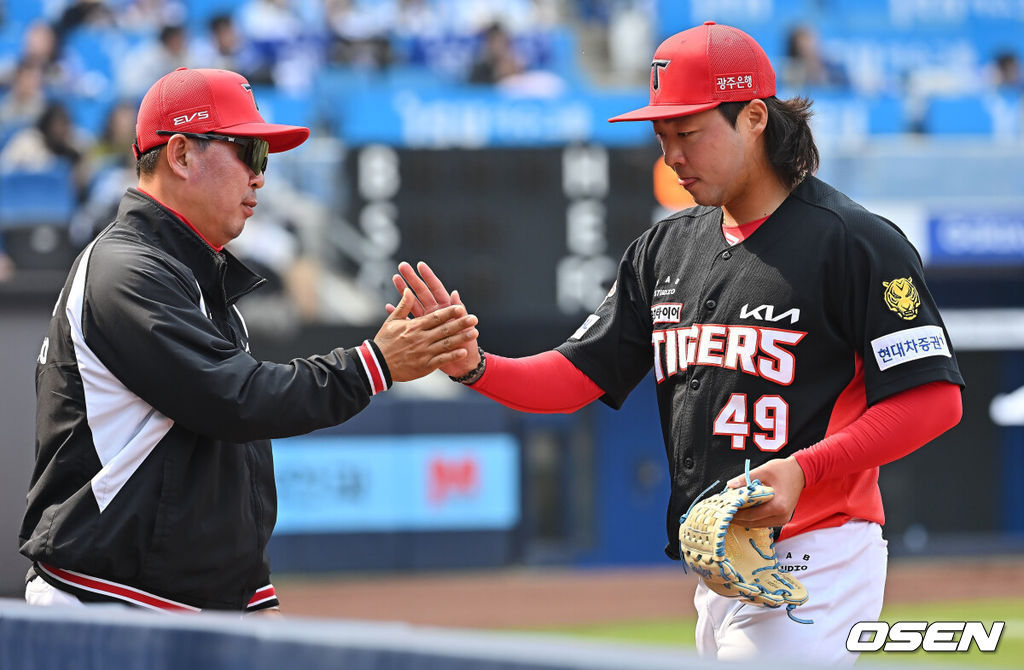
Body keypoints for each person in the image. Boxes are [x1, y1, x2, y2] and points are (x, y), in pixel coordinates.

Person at [387, 22, 964, 665]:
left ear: (752, 117)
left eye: (687, 133)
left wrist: (806, 468)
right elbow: (577, 375)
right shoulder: (665, 248)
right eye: (662, 137)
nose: (671, 155)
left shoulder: (854, 242)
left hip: (816, 554)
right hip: (715, 564)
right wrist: (476, 366)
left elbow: (934, 401)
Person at [20, 67, 478, 615]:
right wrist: (374, 364)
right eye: (249, 153)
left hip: (172, 605)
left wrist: (250, 594)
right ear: (182, 154)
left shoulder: (189, 276)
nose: (261, 177)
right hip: (109, 604)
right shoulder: (126, 269)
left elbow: (224, 455)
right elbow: (235, 399)